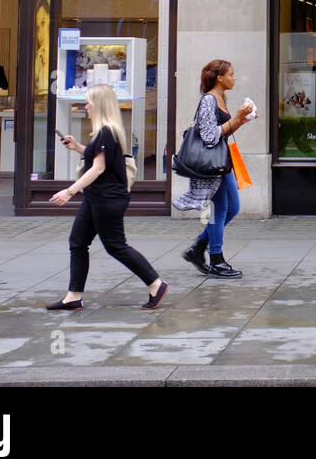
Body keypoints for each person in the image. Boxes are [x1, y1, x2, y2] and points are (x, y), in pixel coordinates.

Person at [47, 84, 167, 310]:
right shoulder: (104, 132)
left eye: (88, 103)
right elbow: (100, 159)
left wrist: (69, 191)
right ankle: (73, 296)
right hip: (96, 198)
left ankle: (156, 283)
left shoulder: (106, 131)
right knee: (78, 242)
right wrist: (78, 147)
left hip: (107, 199)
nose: (86, 107)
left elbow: (98, 168)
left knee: (115, 246)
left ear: (99, 105)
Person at [180, 59, 256, 277]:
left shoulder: (221, 98)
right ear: (219, 78)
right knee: (219, 210)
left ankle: (197, 248)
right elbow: (210, 135)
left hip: (223, 162)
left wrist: (242, 120)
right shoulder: (208, 100)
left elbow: (224, 131)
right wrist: (236, 118)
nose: (234, 78)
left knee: (232, 208)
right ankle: (216, 259)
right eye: (231, 74)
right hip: (212, 165)